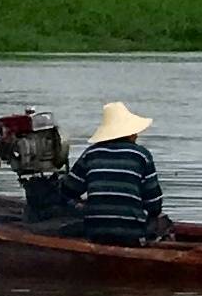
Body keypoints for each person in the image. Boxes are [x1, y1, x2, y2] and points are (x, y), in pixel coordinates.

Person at [56, 101, 172, 246]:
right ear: (129, 134)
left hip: (95, 232)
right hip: (132, 234)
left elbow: (68, 190)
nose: (136, 135)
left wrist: (82, 205)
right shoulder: (141, 155)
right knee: (163, 222)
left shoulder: (91, 153)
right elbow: (154, 204)